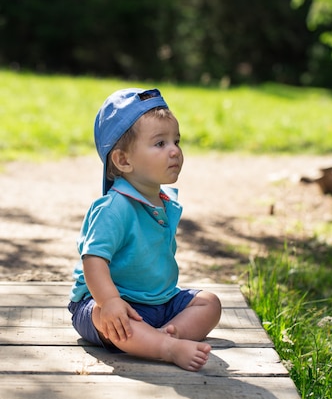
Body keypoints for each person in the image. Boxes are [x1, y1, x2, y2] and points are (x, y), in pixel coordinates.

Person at [68, 87, 221, 371]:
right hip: (109, 302)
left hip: (159, 302)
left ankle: (160, 336)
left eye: (176, 140)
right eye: (160, 144)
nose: (175, 150)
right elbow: (93, 260)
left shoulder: (162, 201)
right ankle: (167, 347)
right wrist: (110, 300)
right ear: (124, 160)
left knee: (209, 303)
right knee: (107, 319)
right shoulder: (114, 208)